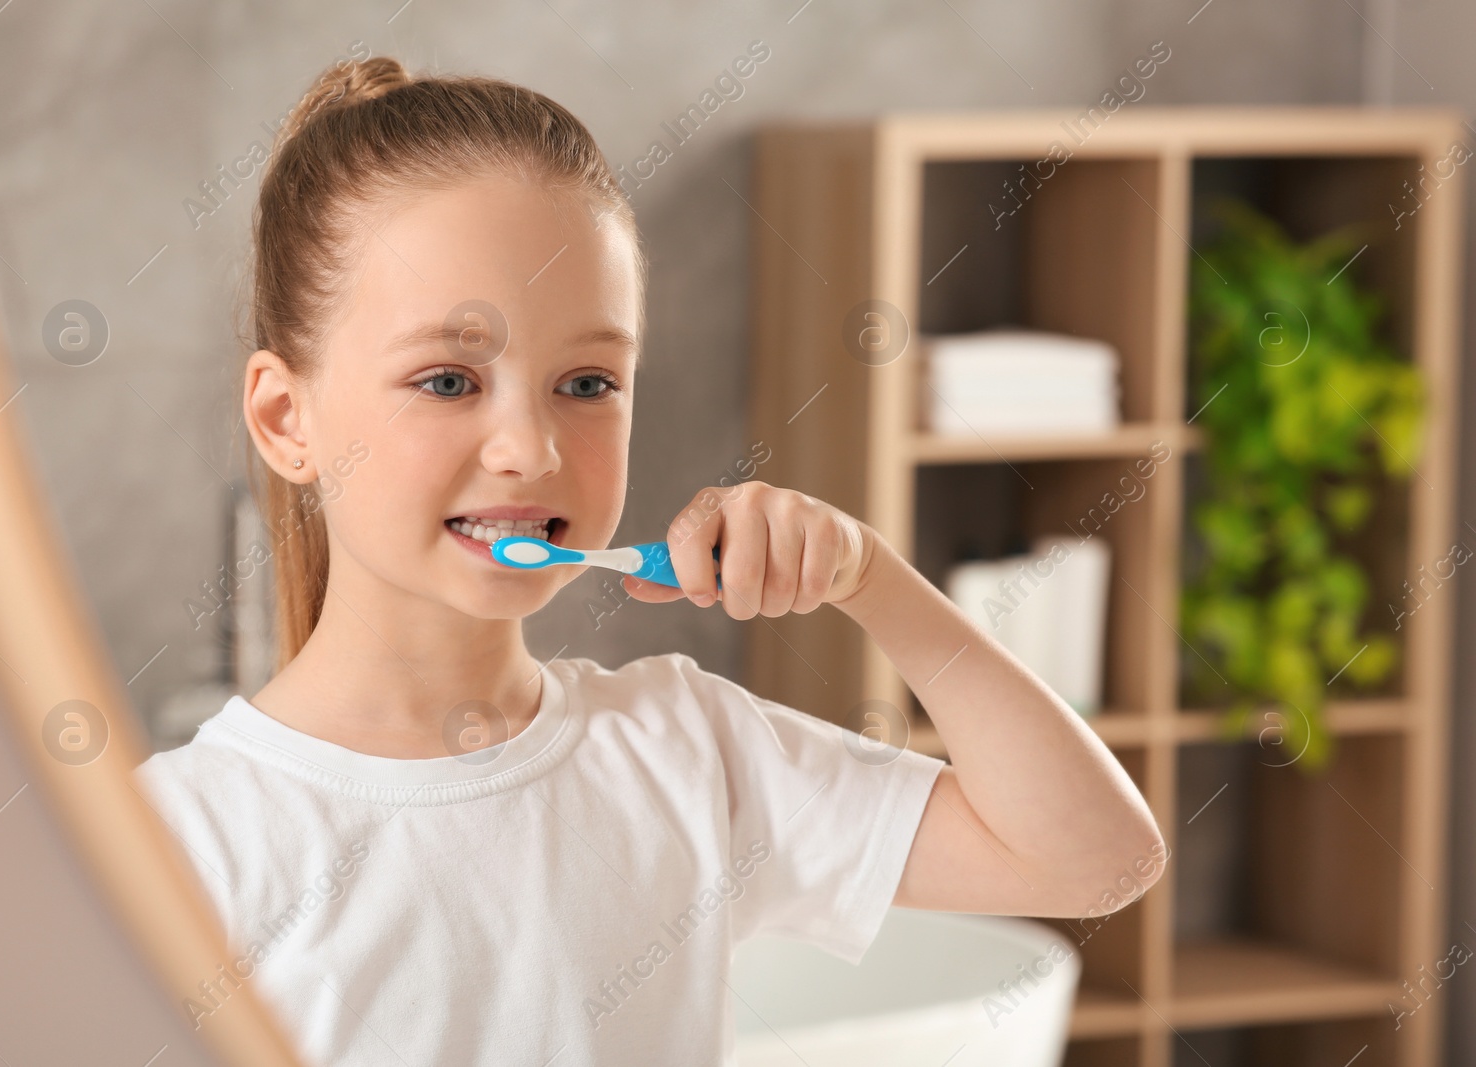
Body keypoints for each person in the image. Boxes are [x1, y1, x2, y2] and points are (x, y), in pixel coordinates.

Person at [135, 55, 1164, 1066]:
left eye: (586, 382)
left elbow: (1096, 856)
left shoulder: (688, 750)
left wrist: (870, 576)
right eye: (448, 379)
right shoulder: (178, 838)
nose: (529, 448)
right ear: (284, 415)